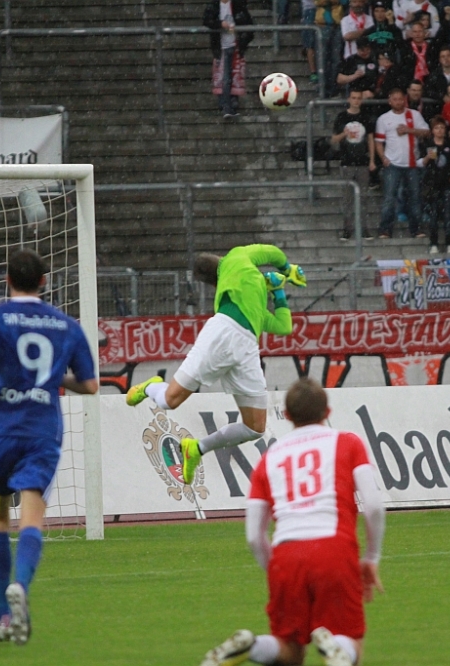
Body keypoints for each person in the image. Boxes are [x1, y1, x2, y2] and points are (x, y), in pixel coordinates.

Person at [0, 249, 98, 645]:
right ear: (44, 282)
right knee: (32, 515)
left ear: (7, 281)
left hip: (1, 429)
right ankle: (20, 583)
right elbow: (90, 385)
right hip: (41, 430)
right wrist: (52, 379)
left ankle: (3, 614)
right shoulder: (66, 325)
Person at [198, 378, 386, 666]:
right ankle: (336, 648)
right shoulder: (348, 443)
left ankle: (252, 646)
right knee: (351, 641)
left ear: (286, 415)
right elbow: (373, 506)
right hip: (333, 549)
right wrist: (372, 557)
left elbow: (254, 536)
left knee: (289, 648)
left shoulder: (269, 457)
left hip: (285, 556)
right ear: (327, 411)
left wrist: (275, 570)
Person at [127, 245, 305, 484]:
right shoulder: (236, 257)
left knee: (255, 428)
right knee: (170, 400)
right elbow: (273, 253)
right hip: (224, 334)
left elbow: (284, 327)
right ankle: (150, 387)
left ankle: (196, 448)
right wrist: (286, 268)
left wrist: (278, 290)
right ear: (220, 262)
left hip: (247, 347)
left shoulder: (251, 302)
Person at [375, 88, 431, 237]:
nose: (398, 102)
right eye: (395, 99)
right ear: (390, 101)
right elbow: (378, 142)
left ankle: (416, 229)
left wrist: (409, 130)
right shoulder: (383, 119)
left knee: (415, 198)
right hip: (393, 164)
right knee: (389, 198)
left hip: (412, 164)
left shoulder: (414, 115)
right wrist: (383, 158)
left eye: (400, 99)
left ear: (404, 99)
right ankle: (385, 229)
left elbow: (427, 132)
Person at [332, 89, 377, 240]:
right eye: (354, 98)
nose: (356, 101)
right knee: (347, 199)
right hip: (347, 162)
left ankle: (364, 229)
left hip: (362, 162)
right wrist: (344, 134)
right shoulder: (342, 117)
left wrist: (372, 160)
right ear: (349, 99)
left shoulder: (365, 117)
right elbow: (334, 139)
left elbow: (370, 140)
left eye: (358, 98)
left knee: (363, 198)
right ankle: (347, 229)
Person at [204, 0, 255, 119]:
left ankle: (230, 104)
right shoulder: (214, 6)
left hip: (235, 46)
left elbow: (249, 26)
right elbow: (207, 20)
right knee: (225, 77)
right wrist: (220, 24)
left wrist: (242, 39)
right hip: (221, 47)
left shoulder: (238, 6)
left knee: (232, 76)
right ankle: (227, 106)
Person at [423, 116, 450, 253]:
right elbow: (420, 163)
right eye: (437, 128)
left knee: (448, 214)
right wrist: (427, 157)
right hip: (433, 183)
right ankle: (433, 243)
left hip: (447, 183)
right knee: (433, 215)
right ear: (432, 130)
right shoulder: (427, 144)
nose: (439, 130)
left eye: (442, 128)